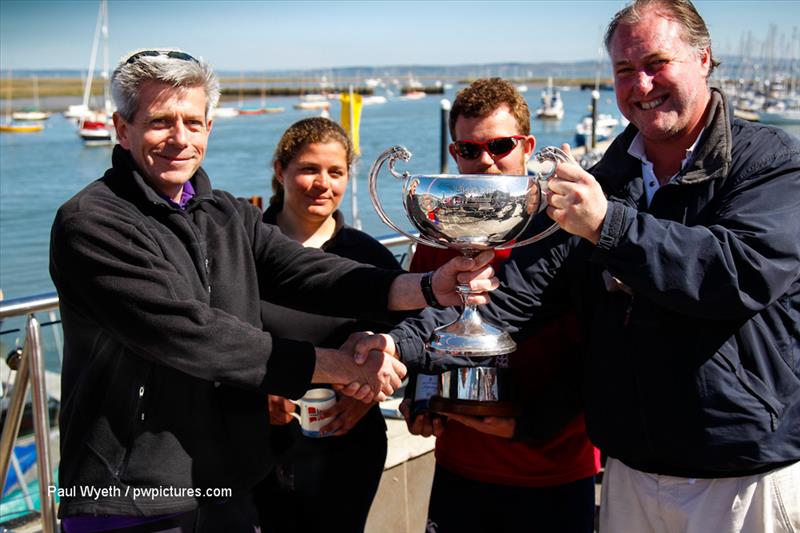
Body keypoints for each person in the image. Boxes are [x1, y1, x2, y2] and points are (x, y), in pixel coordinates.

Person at [359, 1, 800, 532]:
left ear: (703, 59)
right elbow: (514, 295)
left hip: (741, 473)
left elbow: (736, 275)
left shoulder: (770, 161)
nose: (641, 84)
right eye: (623, 70)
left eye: (657, 63)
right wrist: (394, 346)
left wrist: (607, 225)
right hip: (630, 470)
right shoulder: (609, 178)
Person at [49, 49, 496, 532]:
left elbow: (305, 271)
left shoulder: (225, 213)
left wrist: (428, 286)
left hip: (227, 485)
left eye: (193, 122)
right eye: (160, 122)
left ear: (209, 129)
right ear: (122, 128)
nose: (180, 138)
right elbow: (192, 334)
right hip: (131, 496)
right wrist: (335, 366)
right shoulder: (92, 222)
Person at [405, 78, 599, 533]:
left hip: (553, 469)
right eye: (470, 150)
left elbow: (596, 351)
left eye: (500, 145)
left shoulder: (571, 230)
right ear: (454, 154)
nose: (486, 161)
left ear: (528, 146)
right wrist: (420, 400)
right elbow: (420, 326)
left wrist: (526, 425)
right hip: (461, 465)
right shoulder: (437, 234)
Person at [252, 117, 397, 532]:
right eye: (308, 169)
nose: (323, 184)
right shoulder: (243, 249)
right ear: (280, 171)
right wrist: (251, 398)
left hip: (348, 447)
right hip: (258, 448)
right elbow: (213, 339)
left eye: (336, 172)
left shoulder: (368, 256)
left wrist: (368, 395)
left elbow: (410, 338)